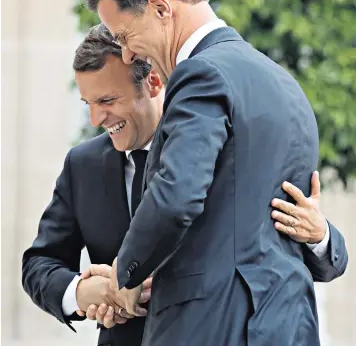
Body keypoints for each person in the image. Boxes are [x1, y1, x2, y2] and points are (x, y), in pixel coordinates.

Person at [85, 0, 348, 346]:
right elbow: (238, 226)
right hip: (289, 326)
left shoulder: (200, 74)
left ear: (160, 9)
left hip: (213, 328)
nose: (126, 53)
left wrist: (124, 274)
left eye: (124, 35)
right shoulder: (285, 83)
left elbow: (176, 198)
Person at [22, 25, 347, 346]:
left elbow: (270, 247)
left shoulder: (221, 148)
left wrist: (321, 236)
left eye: (107, 100)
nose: (96, 119)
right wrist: (89, 292)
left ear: (152, 83)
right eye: (87, 103)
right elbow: (38, 265)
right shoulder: (82, 165)